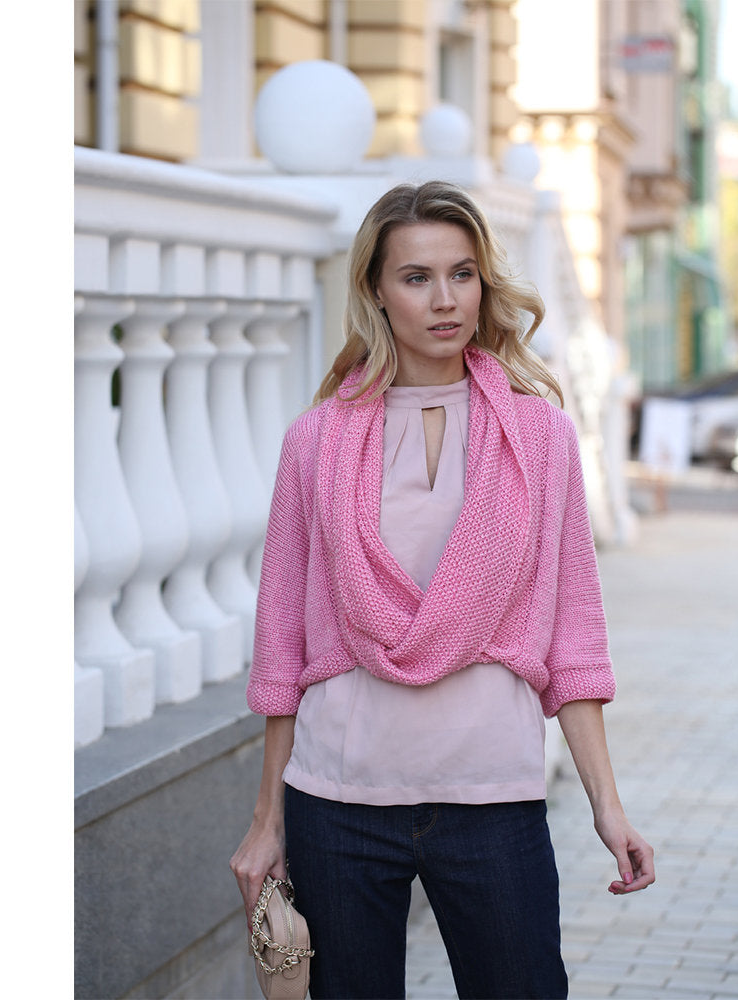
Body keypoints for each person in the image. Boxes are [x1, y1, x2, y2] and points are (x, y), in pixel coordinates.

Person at [230, 180, 655, 1000]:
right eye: (416, 277)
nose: (444, 299)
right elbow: (283, 649)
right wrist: (265, 821)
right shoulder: (314, 441)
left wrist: (608, 805)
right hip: (338, 802)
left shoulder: (540, 436)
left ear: (484, 283)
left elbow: (573, 641)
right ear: (375, 291)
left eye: (462, 274)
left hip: (492, 795)